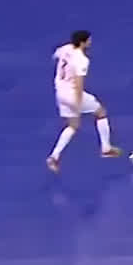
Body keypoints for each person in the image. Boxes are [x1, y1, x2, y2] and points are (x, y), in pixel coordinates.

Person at [48, 30, 121, 173]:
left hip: (60, 93)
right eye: (88, 40)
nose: (90, 42)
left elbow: (55, 56)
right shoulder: (82, 60)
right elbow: (79, 82)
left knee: (73, 126)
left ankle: (54, 156)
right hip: (72, 94)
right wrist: (77, 102)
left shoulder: (65, 48)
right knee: (101, 112)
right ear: (82, 43)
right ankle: (106, 148)